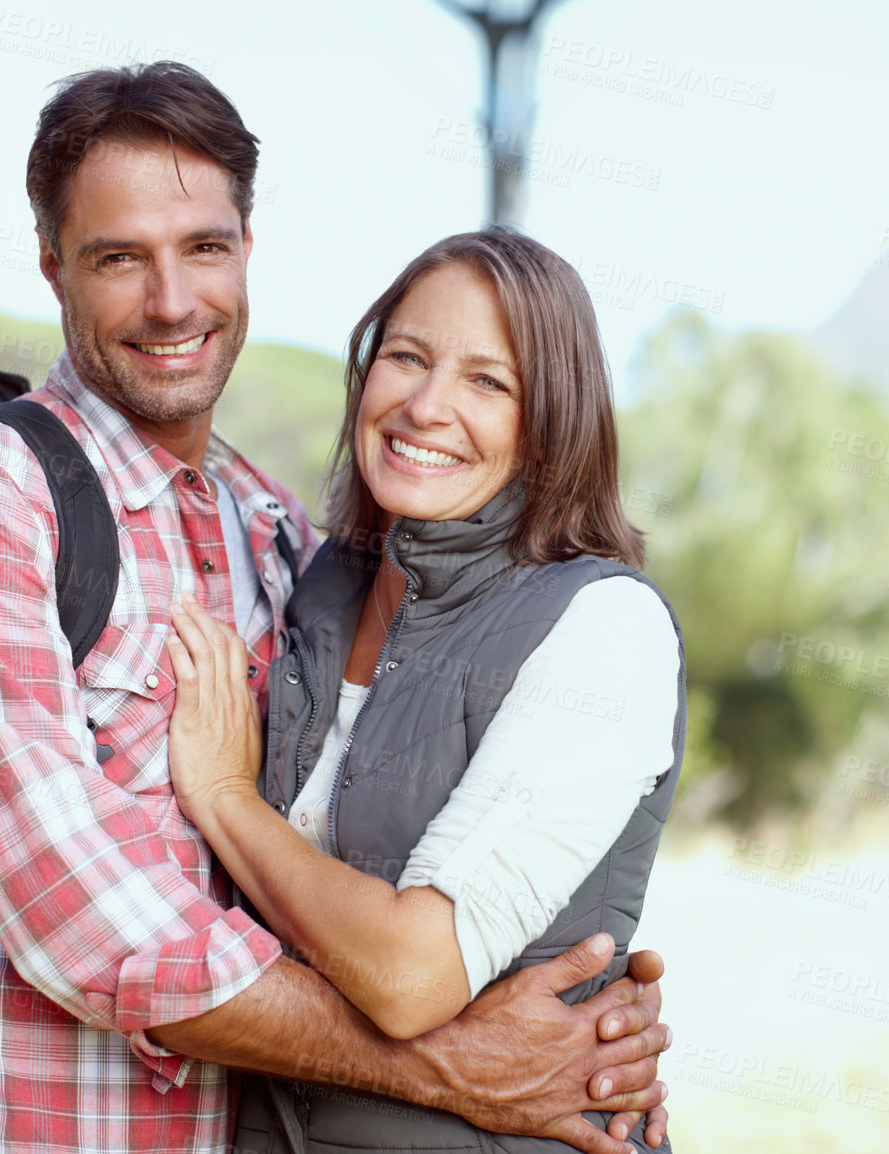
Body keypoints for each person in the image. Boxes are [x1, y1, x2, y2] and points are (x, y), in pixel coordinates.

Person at [0, 62, 670, 1154]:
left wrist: (587, 1018)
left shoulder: (276, 534)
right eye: (119, 257)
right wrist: (453, 1066)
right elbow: (87, 928)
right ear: (52, 267)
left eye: (204, 249)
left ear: (246, 251)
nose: (173, 301)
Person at [164, 228, 684, 1152]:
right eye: (406, 357)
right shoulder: (318, 587)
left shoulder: (606, 629)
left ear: (552, 421)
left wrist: (224, 799)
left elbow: (409, 974)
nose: (428, 405)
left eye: (490, 381)